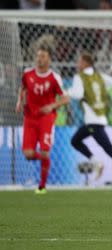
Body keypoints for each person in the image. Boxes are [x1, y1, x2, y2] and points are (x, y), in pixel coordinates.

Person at [68, 52, 112, 189]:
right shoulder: (101, 76)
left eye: (79, 61)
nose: (77, 64)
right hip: (99, 118)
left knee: (108, 149)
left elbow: (77, 94)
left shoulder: (79, 77)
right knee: (76, 140)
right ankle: (97, 163)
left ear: (85, 63)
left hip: (93, 121)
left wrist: (66, 92)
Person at [15, 45, 70, 194]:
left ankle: (42, 185)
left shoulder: (54, 78)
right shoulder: (27, 74)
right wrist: (19, 102)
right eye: (38, 56)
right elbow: (23, 88)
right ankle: (45, 159)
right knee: (28, 154)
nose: (40, 59)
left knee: (45, 152)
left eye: (43, 56)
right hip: (30, 118)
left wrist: (52, 106)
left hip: (46, 118)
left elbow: (66, 99)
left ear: (49, 59)